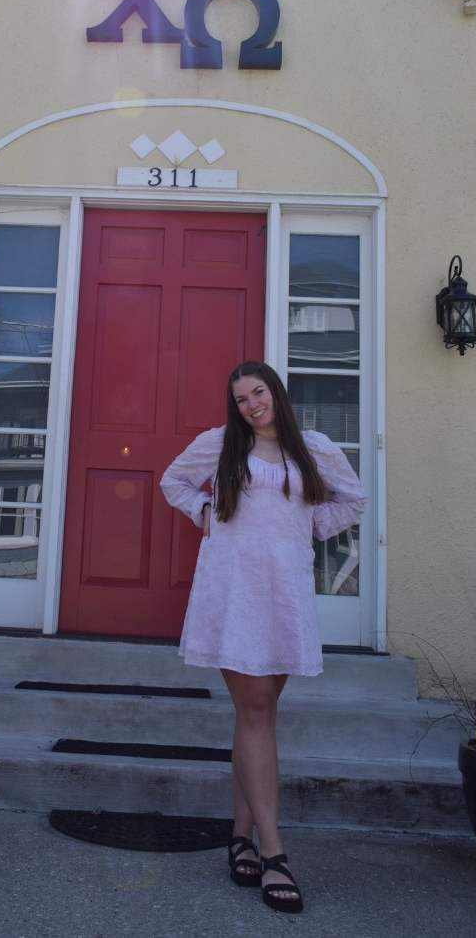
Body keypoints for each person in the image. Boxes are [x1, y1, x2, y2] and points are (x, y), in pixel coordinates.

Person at [160, 360, 367, 913]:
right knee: (255, 710)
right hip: (232, 589)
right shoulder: (223, 443)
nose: (253, 405)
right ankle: (273, 853)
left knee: (259, 715)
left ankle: (239, 838)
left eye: (259, 392)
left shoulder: (314, 447)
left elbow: (352, 499)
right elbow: (172, 481)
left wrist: (307, 528)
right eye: (242, 399)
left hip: (285, 590)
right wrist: (207, 512)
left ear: (275, 391)